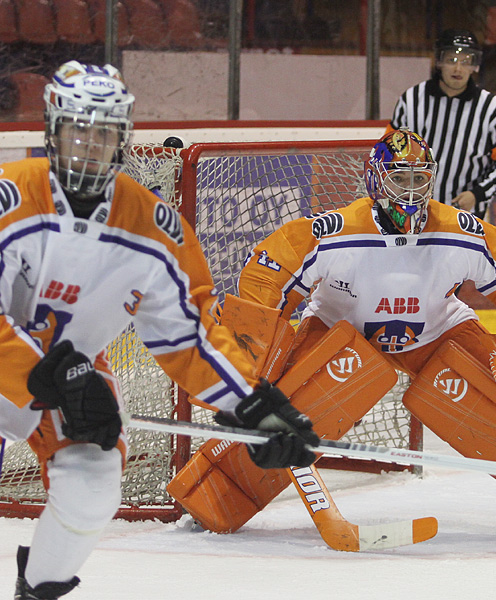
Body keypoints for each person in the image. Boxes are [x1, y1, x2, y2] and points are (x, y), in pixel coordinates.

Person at [169, 128, 496, 541]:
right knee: (285, 413)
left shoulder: (458, 230)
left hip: (439, 330)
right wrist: (253, 359)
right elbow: (268, 271)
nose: (412, 189)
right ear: (377, 179)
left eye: (421, 178)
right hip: (340, 329)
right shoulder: (335, 232)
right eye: (401, 177)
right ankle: (210, 497)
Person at [0, 61, 319, 600]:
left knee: (93, 480)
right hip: (31, 369)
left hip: (73, 373)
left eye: (103, 131)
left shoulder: (153, 227)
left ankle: (38, 591)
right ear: (52, 132)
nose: (89, 144)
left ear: (123, 138)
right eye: (78, 129)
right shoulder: (11, 195)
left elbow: (188, 336)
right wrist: (48, 375)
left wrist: (252, 404)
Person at [385, 29, 496, 218]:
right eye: (451, 60)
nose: (458, 68)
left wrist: (478, 194)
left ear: (474, 66)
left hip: (465, 217)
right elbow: (388, 153)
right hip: (413, 211)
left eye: (466, 62)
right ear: (439, 62)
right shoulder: (412, 100)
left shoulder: (492, 110)